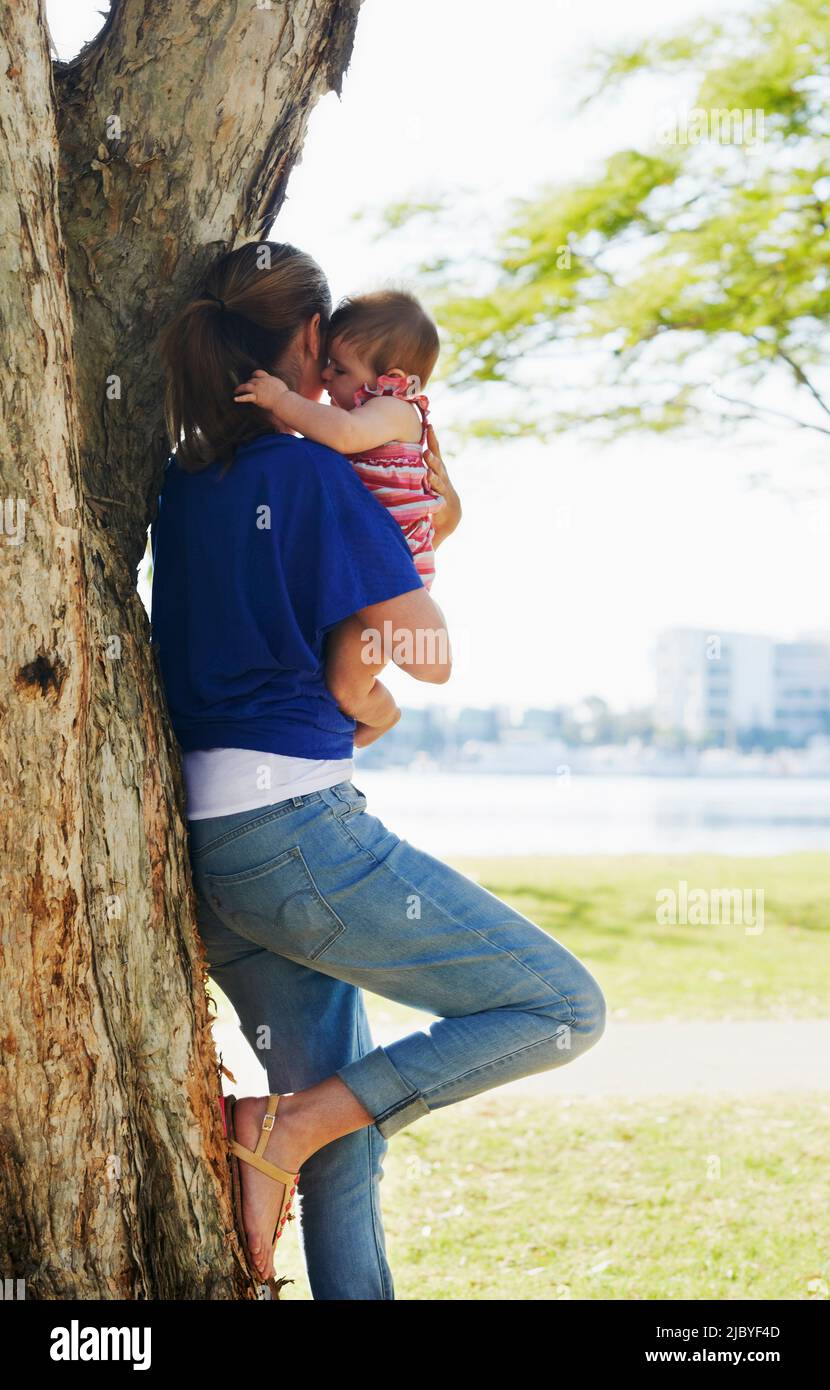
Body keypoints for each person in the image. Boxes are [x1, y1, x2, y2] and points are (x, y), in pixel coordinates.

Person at [150, 239, 606, 1301]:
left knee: (346, 1130)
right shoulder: (312, 471)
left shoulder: (186, 479)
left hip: (208, 856)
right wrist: (383, 699)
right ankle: (289, 1120)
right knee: (559, 1009)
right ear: (311, 340)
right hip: (297, 837)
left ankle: (299, 1139)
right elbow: (419, 645)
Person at [232, 289, 444, 740]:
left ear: (390, 378)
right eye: (326, 362)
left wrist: (282, 400)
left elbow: (345, 434)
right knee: (343, 684)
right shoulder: (367, 409)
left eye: (341, 369)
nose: (327, 377)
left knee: (348, 688)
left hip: (391, 575)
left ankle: (383, 720)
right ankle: (361, 730)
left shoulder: (393, 410)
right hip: (364, 569)